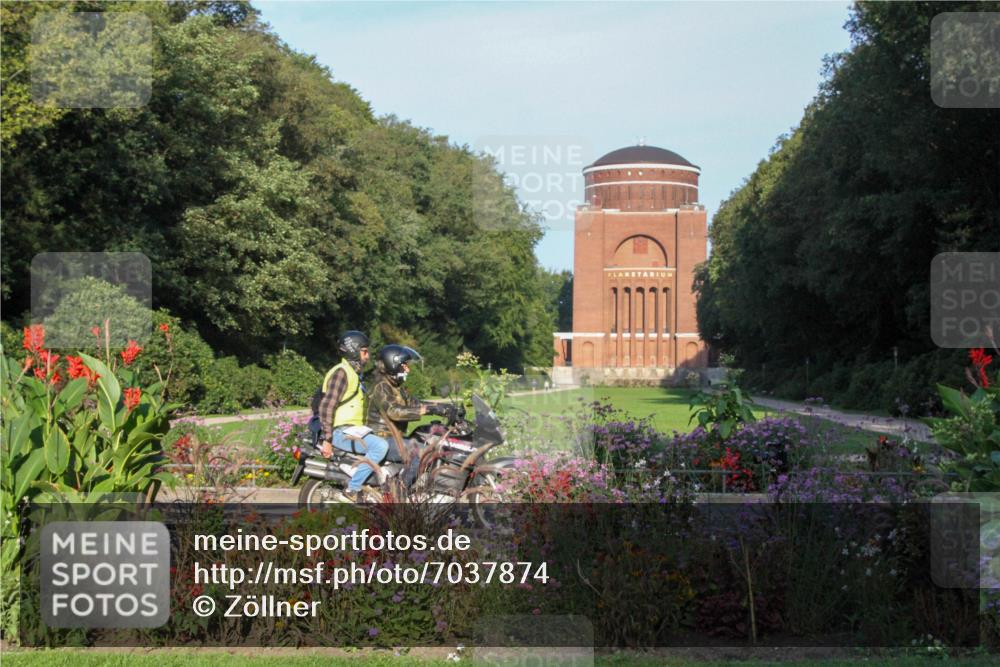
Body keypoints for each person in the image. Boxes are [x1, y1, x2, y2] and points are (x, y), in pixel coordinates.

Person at [366, 344, 458, 486]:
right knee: (420, 453)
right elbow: (394, 411)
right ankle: (397, 492)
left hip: (393, 438)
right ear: (393, 364)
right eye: (405, 365)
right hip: (381, 438)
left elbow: (415, 404)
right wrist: (428, 410)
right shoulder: (381, 387)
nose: (408, 369)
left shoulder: (396, 388)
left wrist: (441, 408)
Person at [315, 330, 389, 502]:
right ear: (353, 351)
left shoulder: (353, 373)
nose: (368, 356)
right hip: (340, 432)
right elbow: (327, 406)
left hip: (352, 430)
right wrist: (327, 438)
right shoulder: (342, 373)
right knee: (380, 446)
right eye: (364, 351)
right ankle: (352, 489)